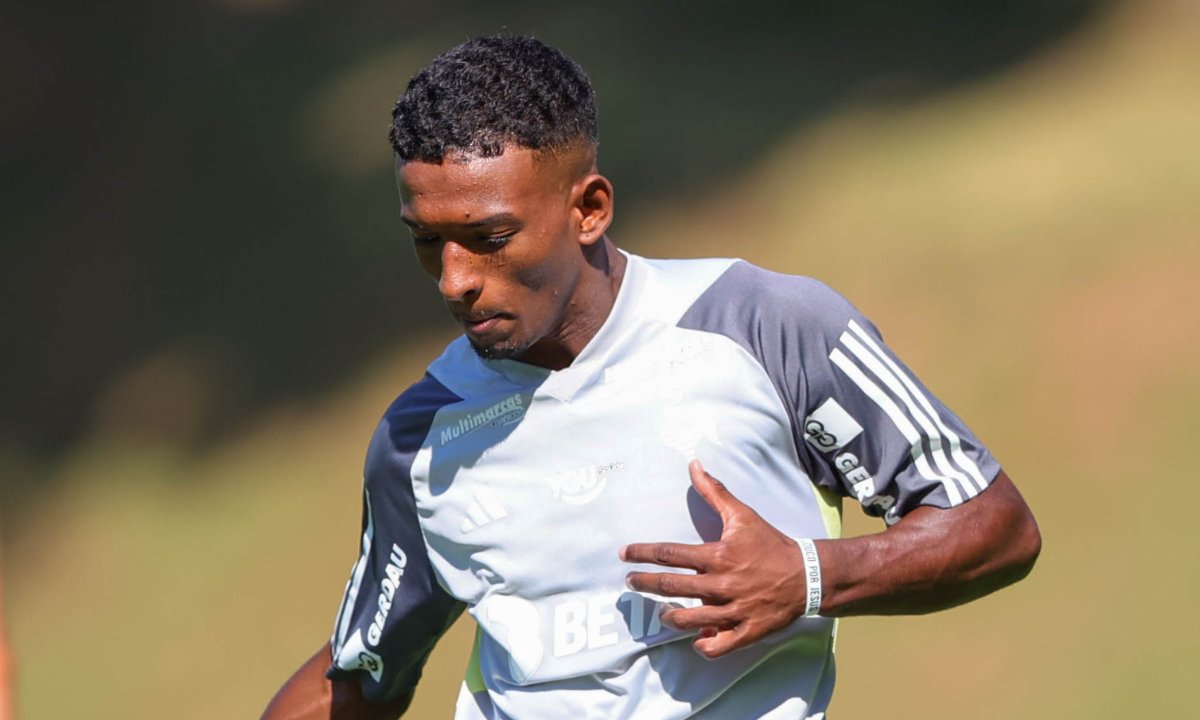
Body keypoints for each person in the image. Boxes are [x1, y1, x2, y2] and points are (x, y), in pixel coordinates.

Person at [262, 35, 1040, 720]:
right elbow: (362, 679)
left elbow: (995, 526)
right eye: (428, 242)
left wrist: (806, 576)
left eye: (489, 237)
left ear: (589, 208)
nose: (453, 279)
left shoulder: (762, 327)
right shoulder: (418, 436)